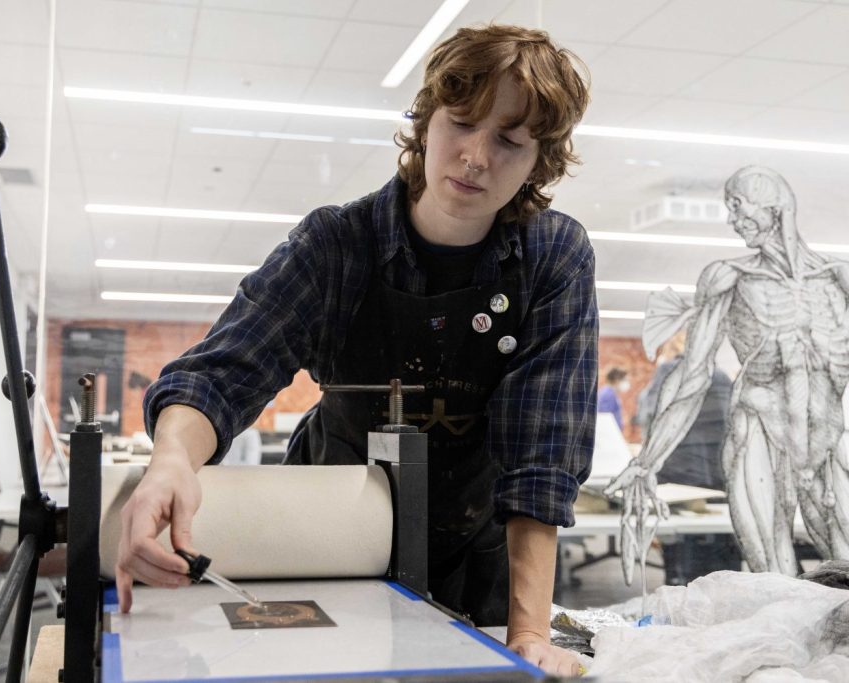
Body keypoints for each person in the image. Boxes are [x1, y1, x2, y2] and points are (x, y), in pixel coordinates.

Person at [116, 24, 596, 676]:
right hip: (329, 537)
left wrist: (531, 631)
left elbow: (541, 455)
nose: (476, 156)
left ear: (538, 161)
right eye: (460, 124)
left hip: (482, 555)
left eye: (509, 141)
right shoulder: (338, 245)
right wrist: (172, 460)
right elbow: (223, 374)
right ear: (426, 123)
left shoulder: (552, 258)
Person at [607, 166, 849, 580]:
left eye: (738, 207)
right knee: (776, 579)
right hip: (760, 430)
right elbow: (692, 375)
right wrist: (647, 461)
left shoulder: (837, 277)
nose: (732, 221)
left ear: (772, 205)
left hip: (829, 438)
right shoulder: (728, 277)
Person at [634, 333, 741, 584]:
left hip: (675, 480)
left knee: (680, 552)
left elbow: (648, 421)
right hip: (716, 477)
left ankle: (680, 593)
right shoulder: (721, 377)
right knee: (719, 554)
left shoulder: (667, 374)